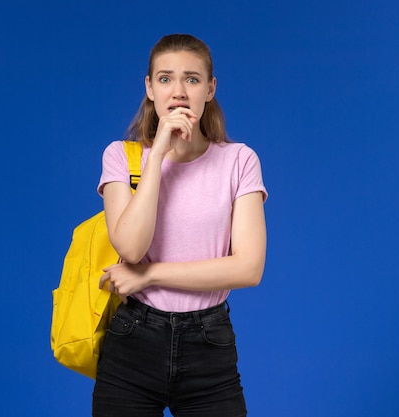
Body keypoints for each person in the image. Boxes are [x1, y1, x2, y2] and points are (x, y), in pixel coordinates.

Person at [92, 34, 267, 417]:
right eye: (166, 78)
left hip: (209, 344)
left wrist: (150, 275)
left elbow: (248, 268)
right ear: (150, 88)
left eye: (192, 79)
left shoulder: (239, 160)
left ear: (210, 89)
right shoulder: (122, 157)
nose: (179, 91)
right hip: (133, 341)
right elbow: (132, 249)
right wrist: (157, 159)